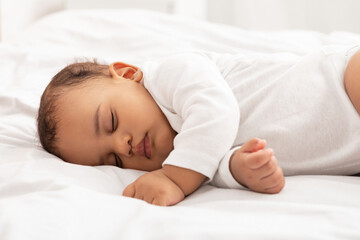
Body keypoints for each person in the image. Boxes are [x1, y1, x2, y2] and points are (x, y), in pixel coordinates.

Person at [37, 45, 360, 206]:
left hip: (342, 85)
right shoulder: (189, 155)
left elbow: (216, 114)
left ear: (127, 73)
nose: (123, 146)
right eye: (114, 161)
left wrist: (174, 179)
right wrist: (239, 169)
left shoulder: (173, 76)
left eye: (111, 121)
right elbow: (214, 161)